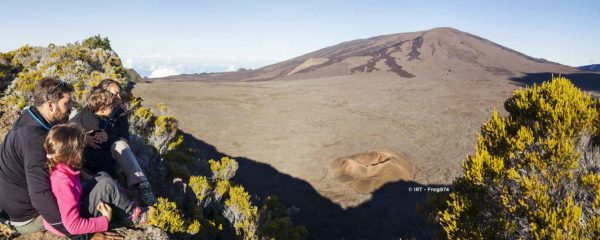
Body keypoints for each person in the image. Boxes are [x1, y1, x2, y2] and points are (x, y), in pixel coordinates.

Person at [0, 78, 121, 239]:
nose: (71, 108)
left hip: (15, 204)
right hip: (27, 216)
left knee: (98, 182)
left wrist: (87, 177)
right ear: (50, 104)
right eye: (67, 103)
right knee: (101, 189)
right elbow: (40, 196)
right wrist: (82, 235)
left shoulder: (32, 117)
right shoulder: (34, 139)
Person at [43, 124, 148, 237]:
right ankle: (131, 216)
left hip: (78, 208)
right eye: (80, 148)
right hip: (72, 224)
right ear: (71, 153)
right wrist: (105, 220)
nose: (83, 150)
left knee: (102, 177)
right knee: (106, 185)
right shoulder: (63, 182)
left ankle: (123, 201)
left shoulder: (62, 168)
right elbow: (72, 226)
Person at [71, 86, 157, 206]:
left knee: (120, 146)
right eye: (114, 94)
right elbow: (69, 130)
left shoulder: (119, 113)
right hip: (92, 160)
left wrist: (109, 138)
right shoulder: (87, 116)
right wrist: (82, 137)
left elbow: (124, 139)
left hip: (111, 154)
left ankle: (142, 185)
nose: (118, 97)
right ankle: (117, 189)